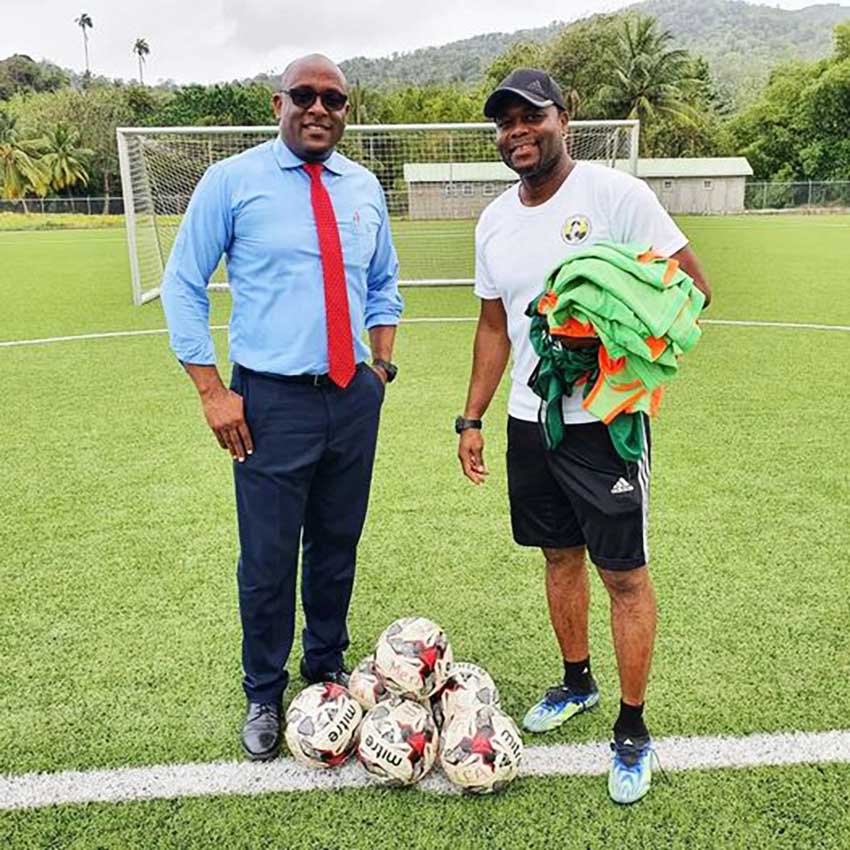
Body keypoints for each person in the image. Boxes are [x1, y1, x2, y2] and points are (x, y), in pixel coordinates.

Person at [456, 68, 711, 804]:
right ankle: (577, 682)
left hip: (604, 426)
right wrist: (472, 417)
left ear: (565, 115)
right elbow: (494, 325)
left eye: (530, 117)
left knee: (623, 575)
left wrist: (612, 347)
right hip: (530, 423)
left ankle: (631, 727)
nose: (517, 133)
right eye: (504, 123)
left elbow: (690, 288)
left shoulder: (614, 196)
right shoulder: (494, 221)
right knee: (558, 556)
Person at [161, 54, 402, 762]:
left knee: (337, 543)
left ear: (346, 109)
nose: (320, 108)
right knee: (267, 559)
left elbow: (384, 280)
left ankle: (325, 667)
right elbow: (183, 284)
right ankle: (264, 690)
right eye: (305, 95)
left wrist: (380, 367)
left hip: (352, 395)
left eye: (334, 98)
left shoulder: (363, 188)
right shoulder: (232, 182)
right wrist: (213, 391)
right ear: (279, 104)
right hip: (269, 402)